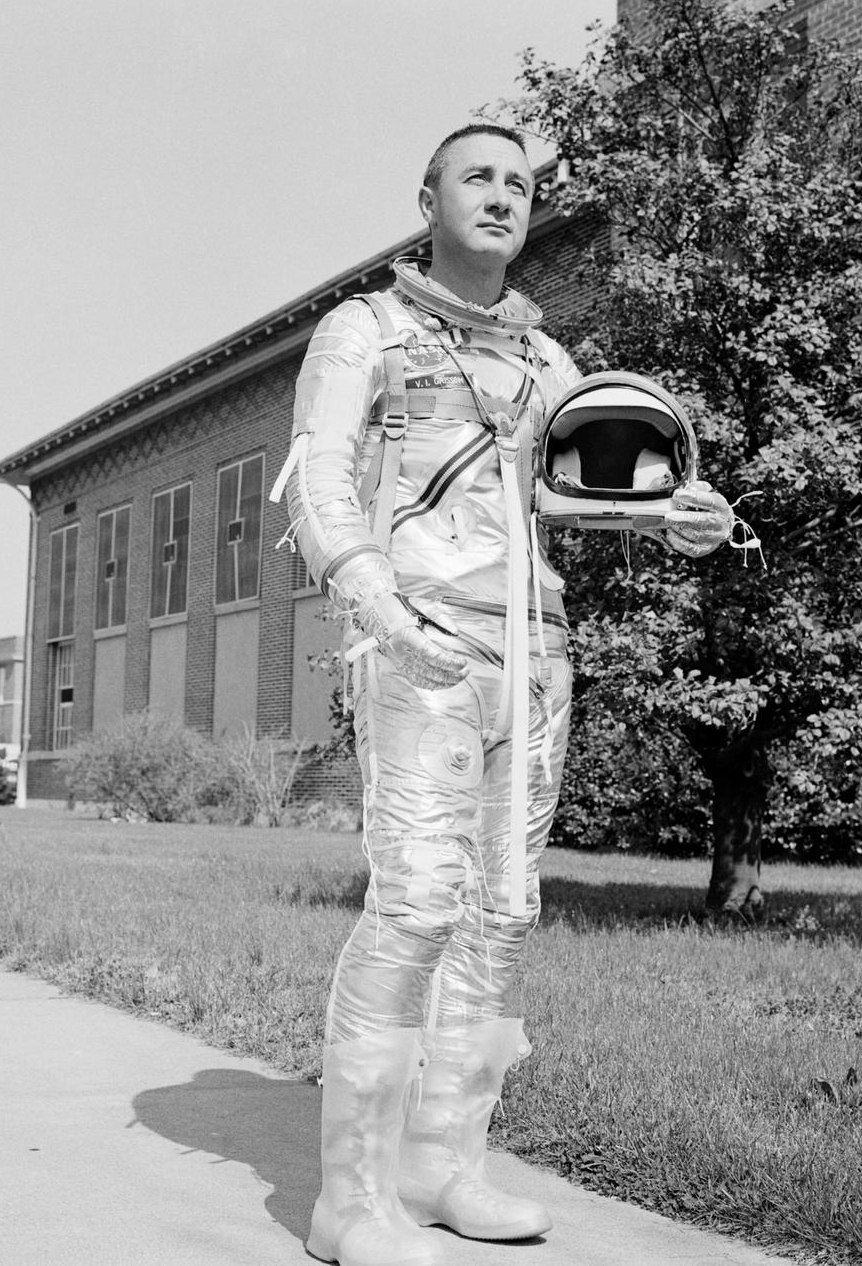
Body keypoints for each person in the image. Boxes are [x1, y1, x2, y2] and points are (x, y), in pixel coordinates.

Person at [274, 124, 732, 1266]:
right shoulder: (364, 329)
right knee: (417, 903)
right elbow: (316, 474)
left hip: (532, 652)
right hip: (418, 637)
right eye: (476, 176)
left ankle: (440, 1164)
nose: (500, 196)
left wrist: (667, 516)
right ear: (426, 196)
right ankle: (353, 1196)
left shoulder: (546, 362)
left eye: (519, 184)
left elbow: (563, 491)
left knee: (500, 912)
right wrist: (374, 599)